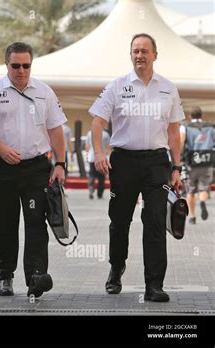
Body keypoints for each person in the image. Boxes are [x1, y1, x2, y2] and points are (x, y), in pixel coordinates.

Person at [89, 33, 184, 302]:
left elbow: (174, 131)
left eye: (144, 50)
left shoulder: (168, 88)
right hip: (124, 161)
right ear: (130, 55)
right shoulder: (116, 86)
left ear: (155, 54)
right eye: (135, 51)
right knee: (120, 221)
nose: (139, 55)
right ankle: (116, 268)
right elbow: (97, 122)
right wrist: (98, 153)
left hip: (156, 162)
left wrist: (176, 168)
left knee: (154, 220)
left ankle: (154, 284)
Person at [0, 42, 67, 298]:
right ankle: (5, 274)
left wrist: (60, 164)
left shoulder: (44, 92)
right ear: (7, 65)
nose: (21, 70)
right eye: (15, 65)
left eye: (26, 65)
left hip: (37, 168)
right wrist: (2, 149)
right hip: (3, 168)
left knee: (36, 222)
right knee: (4, 223)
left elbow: (56, 129)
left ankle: (36, 276)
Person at [180, 106, 214, 224]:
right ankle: (203, 201)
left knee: (190, 191)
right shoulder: (210, 127)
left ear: (190, 116)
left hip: (191, 163)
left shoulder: (186, 127)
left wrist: (179, 157)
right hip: (207, 161)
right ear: (202, 116)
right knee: (204, 187)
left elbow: (181, 141)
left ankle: (192, 217)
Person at [85, 128, 111, 199]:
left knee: (92, 175)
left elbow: (87, 146)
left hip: (92, 157)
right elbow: (108, 147)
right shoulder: (106, 134)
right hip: (102, 158)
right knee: (102, 177)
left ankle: (91, 190)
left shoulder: (90, 133)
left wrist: (87, 154)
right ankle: (100, 194)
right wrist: (110, 156)